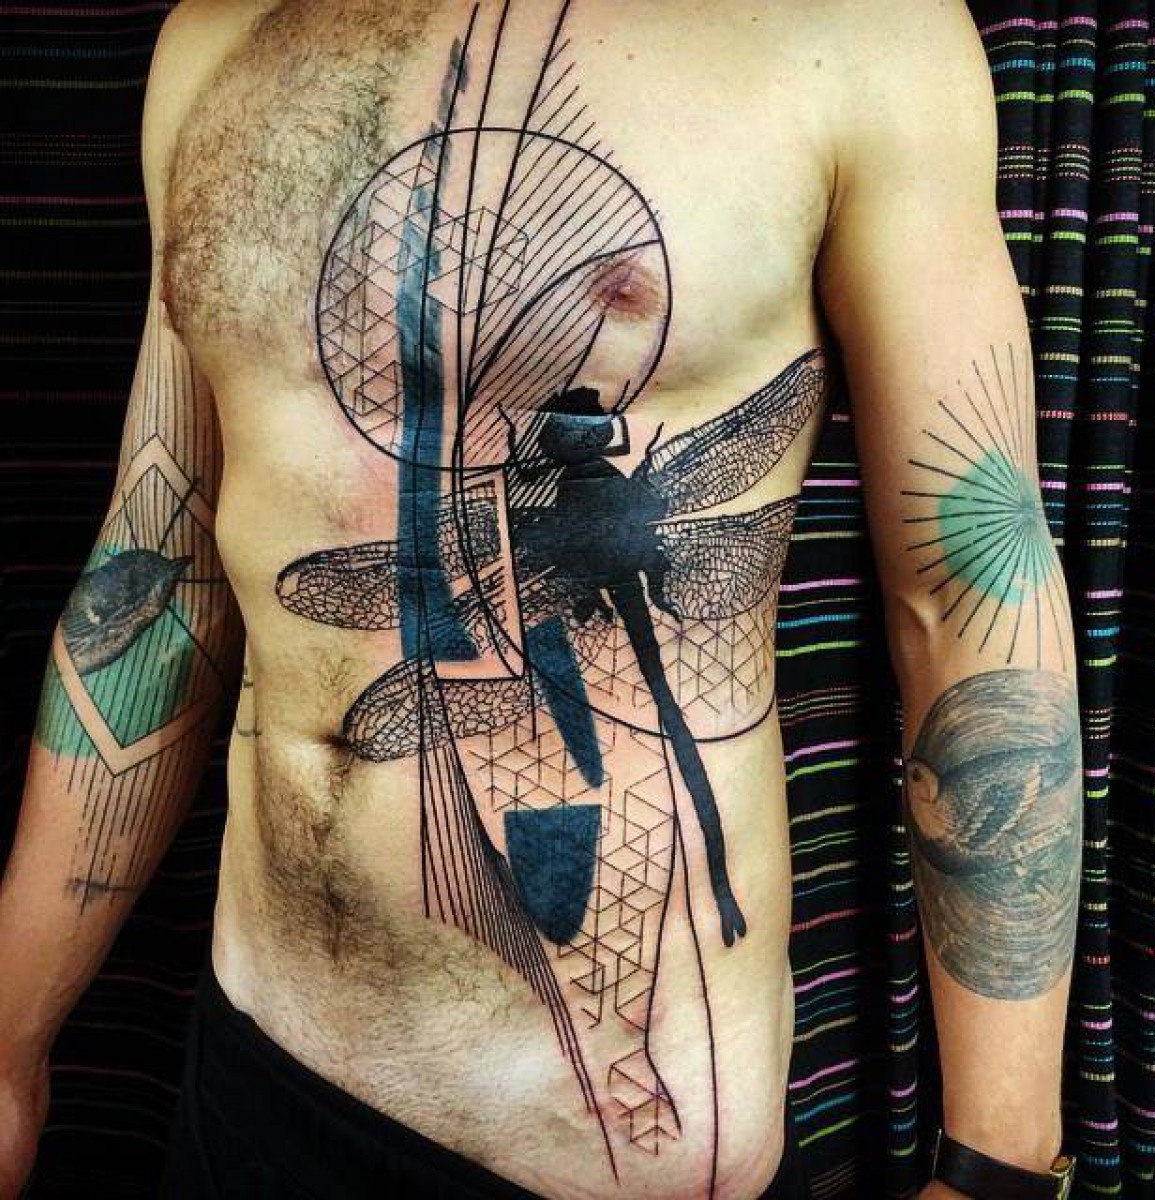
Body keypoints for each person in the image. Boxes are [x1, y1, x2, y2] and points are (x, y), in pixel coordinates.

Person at [0, 1, 1084, 1198]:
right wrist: (8, 1043)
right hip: (257, 1066)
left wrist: (1002, 1160)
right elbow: (161, 575)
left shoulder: (855, 33)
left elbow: (969, 579)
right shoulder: (212, 42)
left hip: (608, 1150)